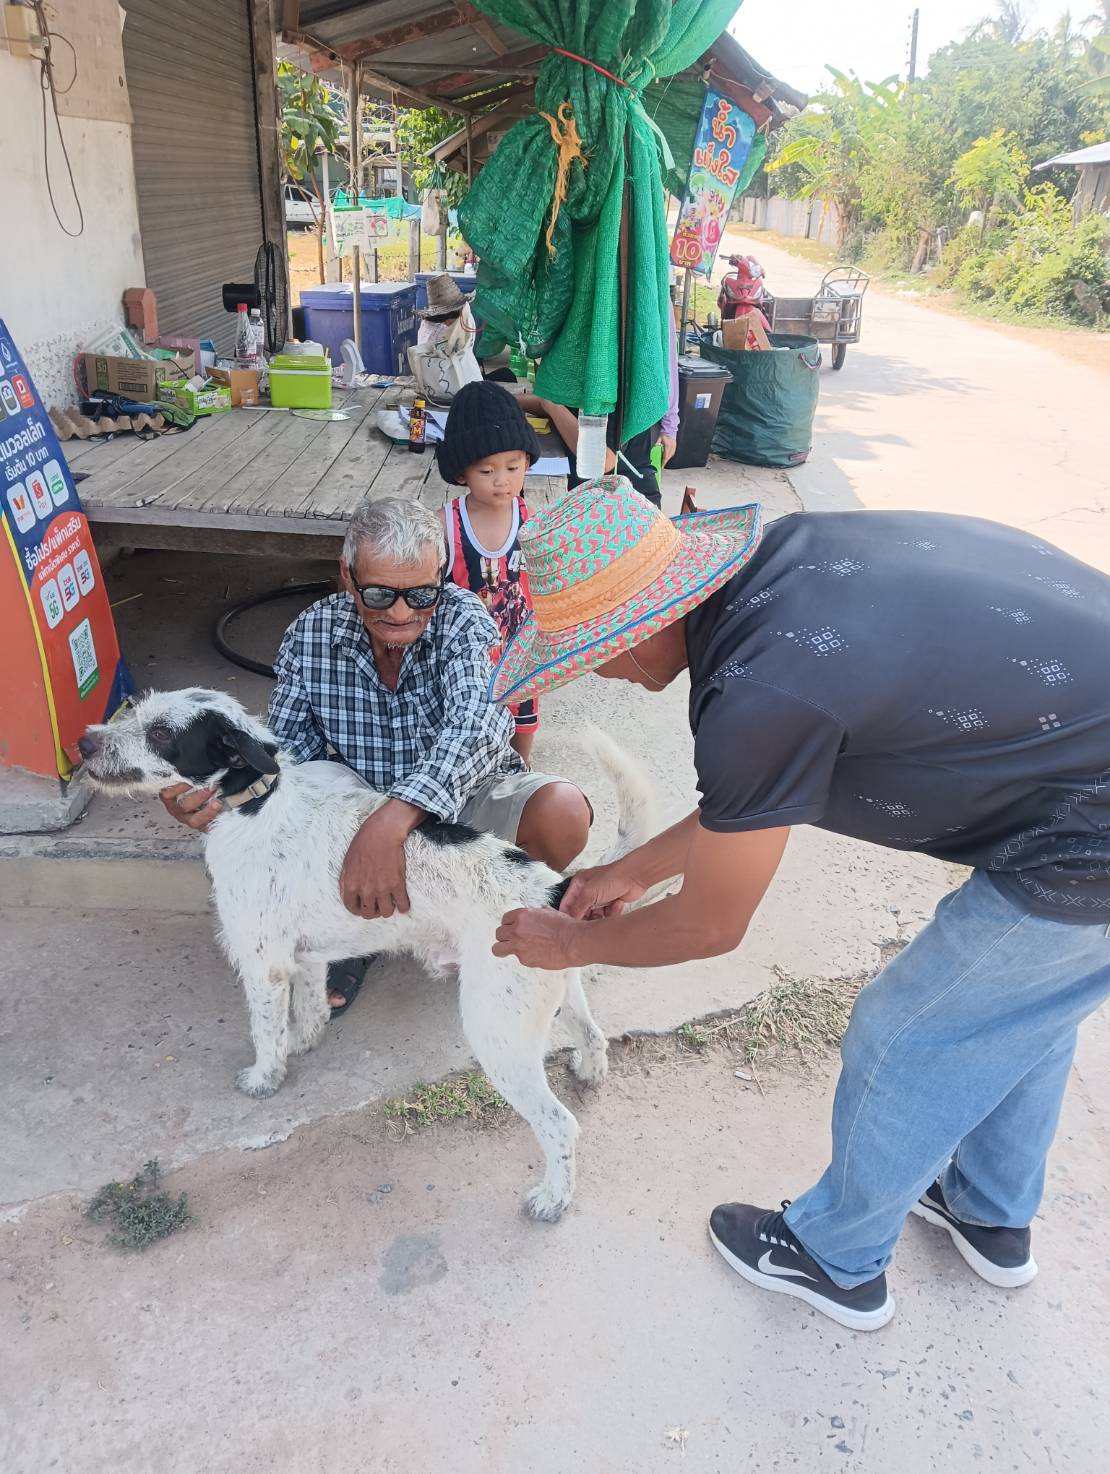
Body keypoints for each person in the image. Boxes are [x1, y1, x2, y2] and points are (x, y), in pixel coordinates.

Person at [488, 474, 1110, 1333]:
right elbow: (761, 795)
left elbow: (710, 924)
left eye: (590, 651)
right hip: (1080, 758)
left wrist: (567, 945)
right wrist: (632, 870)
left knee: (908, 1034)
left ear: (634, 629)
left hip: (1089, 834)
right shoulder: (784, 569)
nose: (599, 672)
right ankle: (989, 1211)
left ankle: (836, 1260)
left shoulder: (758, 694)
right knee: (1014, 1008)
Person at [161, 496, 591, 1015]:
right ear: (348, 576)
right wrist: (220, 796)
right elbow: (288, 752)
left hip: (462, 802)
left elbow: (478, 728)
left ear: (441, 575)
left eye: (421, 593)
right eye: (380, 594)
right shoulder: (311, 633)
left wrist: (393, 819)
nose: (401, 613)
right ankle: (357, 933)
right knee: (274, 819)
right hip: (354, 810)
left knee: (562, 813)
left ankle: (480, 920)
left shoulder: (464, 619)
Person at [437, 380, 542, 766]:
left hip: (520, 651)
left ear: (527, 461)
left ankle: (522, 772)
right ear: (461, 472)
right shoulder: (445, 525)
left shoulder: (533, 522)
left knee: (523, 719)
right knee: (463, 722)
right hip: (466, 656)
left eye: (513, 467)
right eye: (487, 470)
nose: (503, 480)